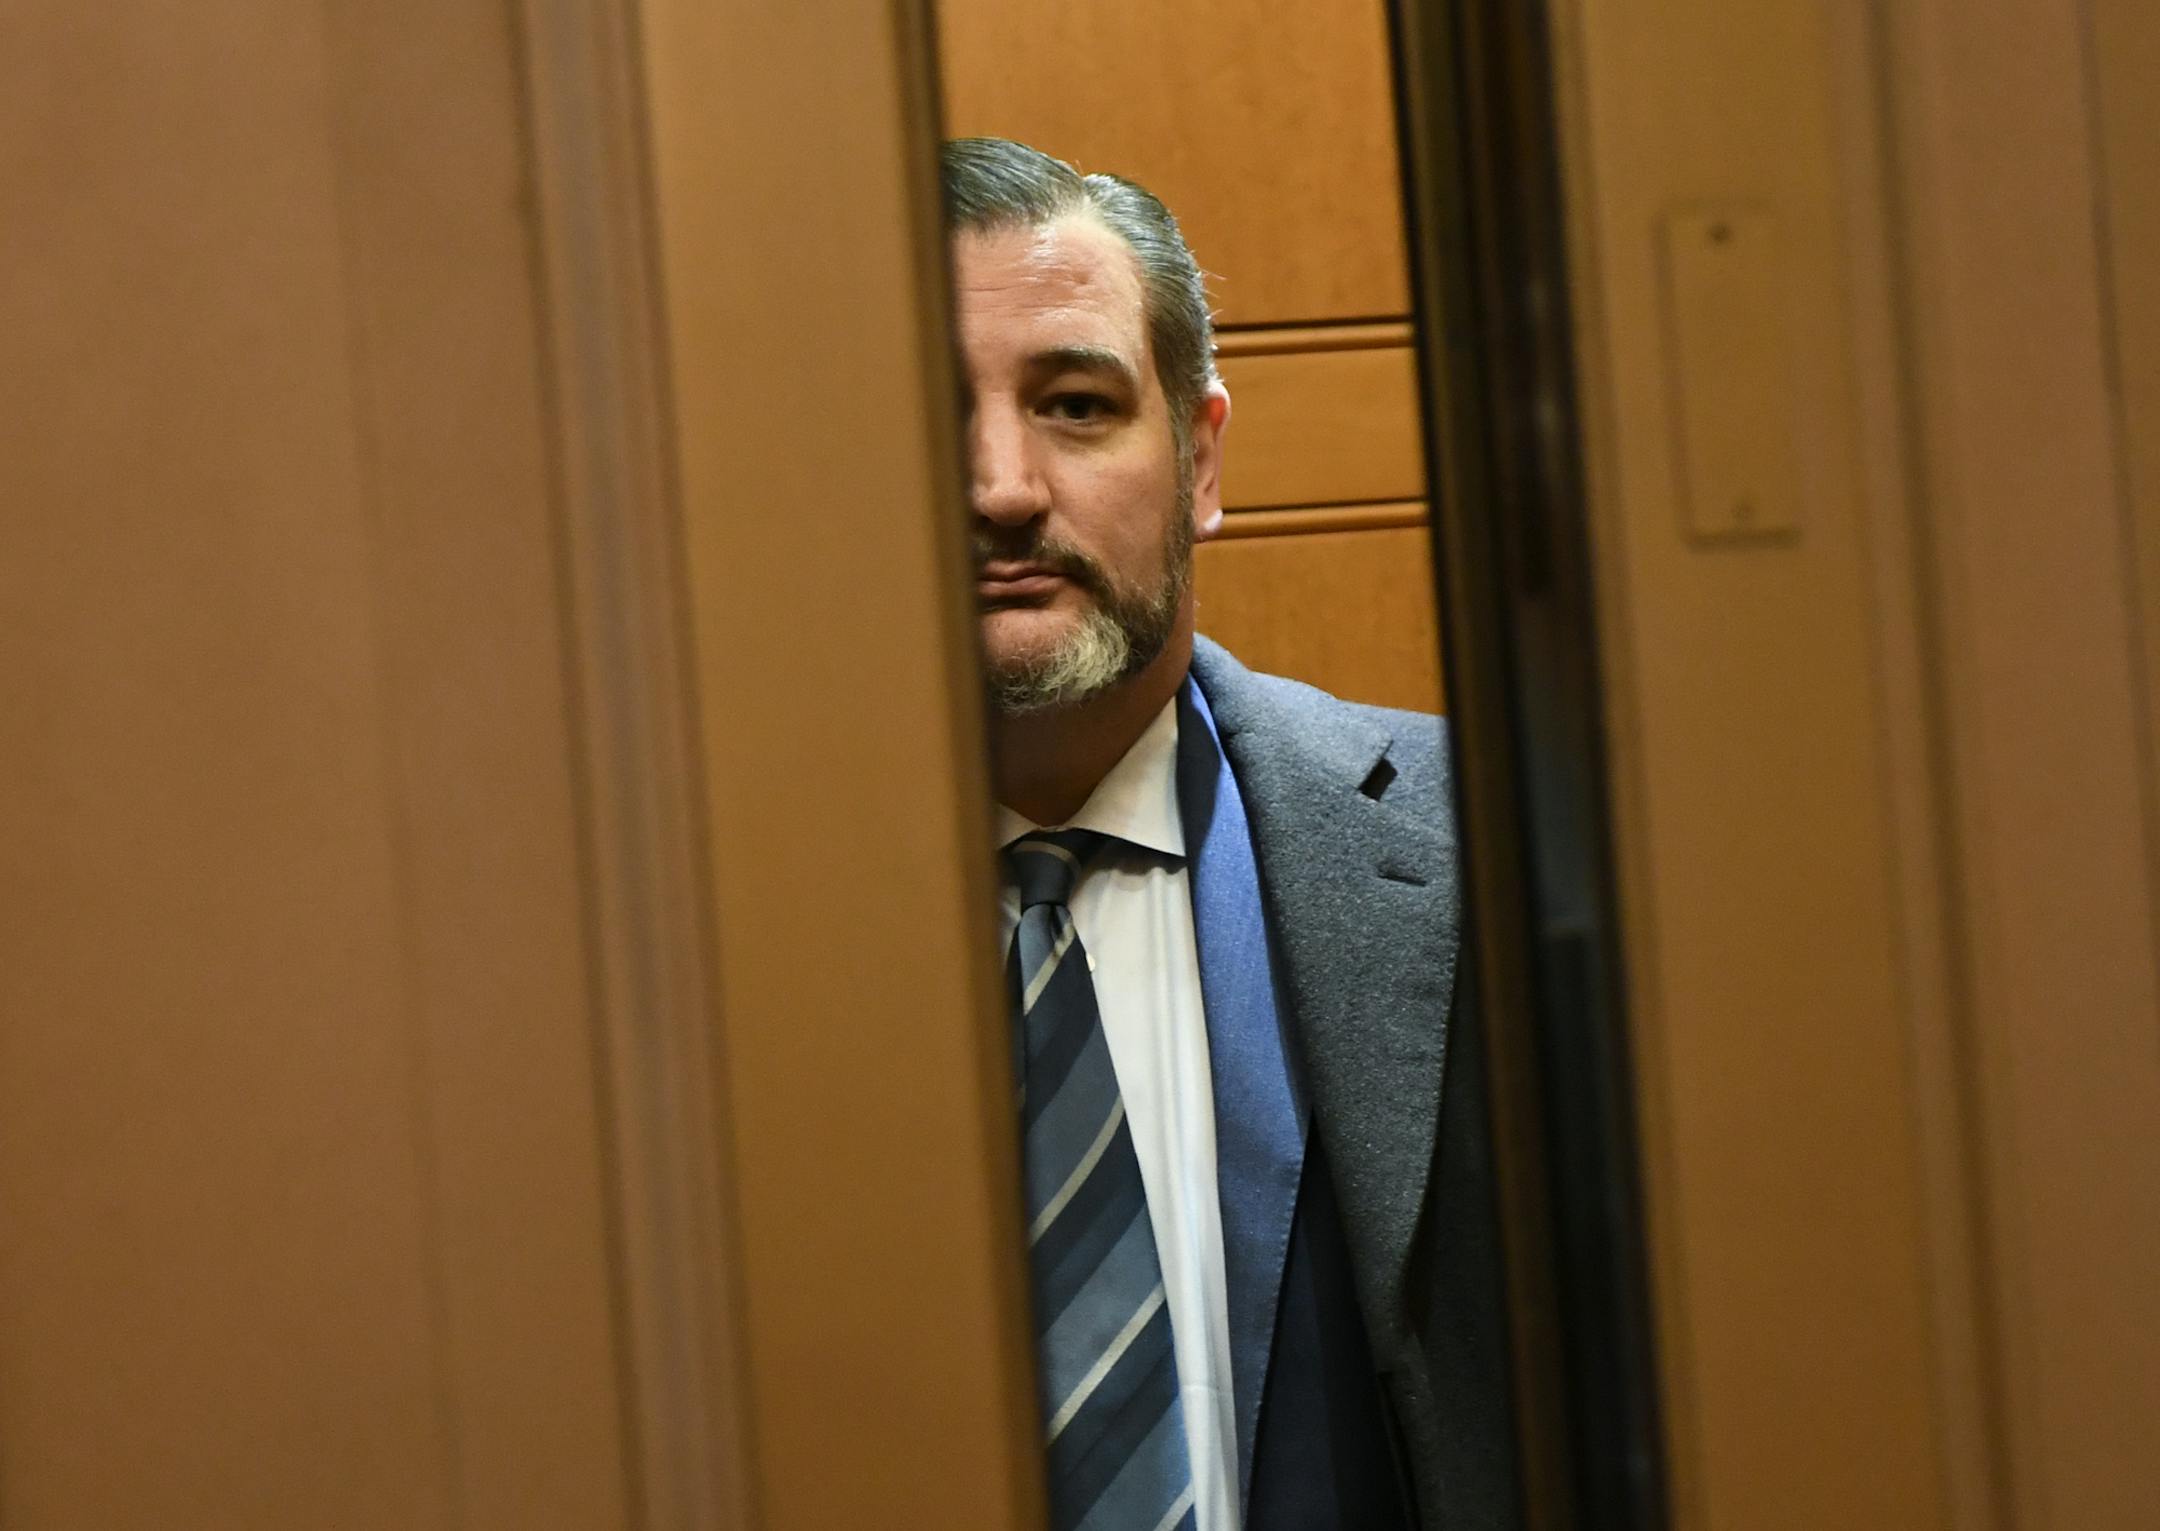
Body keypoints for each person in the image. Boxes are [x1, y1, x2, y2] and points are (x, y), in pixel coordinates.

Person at [948, 137, 1516, 1530]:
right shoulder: (702, 951)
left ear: (1198, 459)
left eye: (1076, 405)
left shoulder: (1493, 852)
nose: (1001, 487)